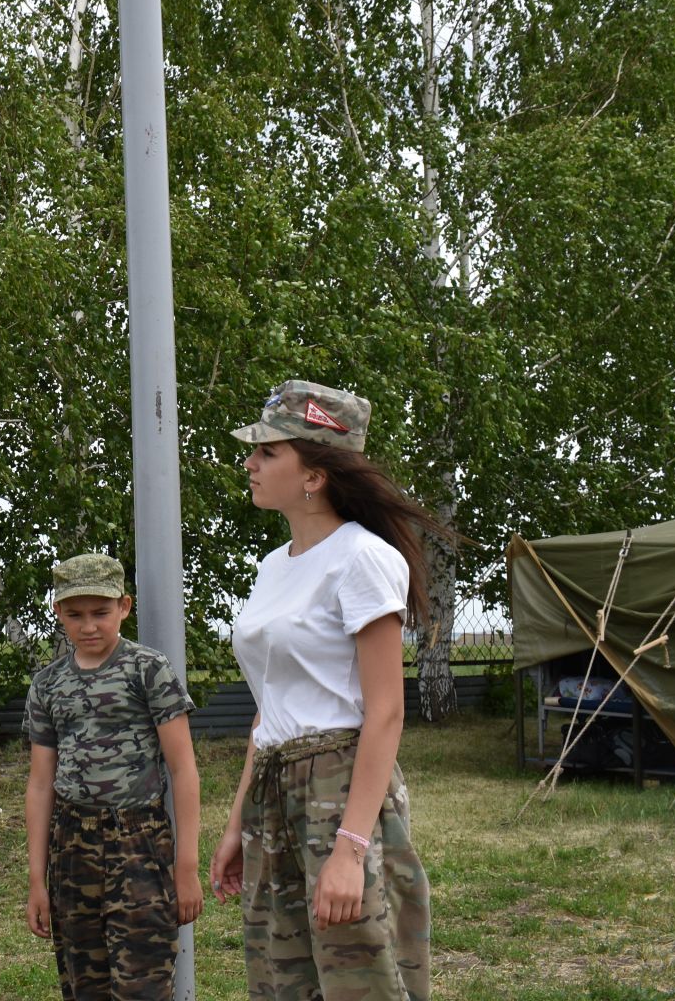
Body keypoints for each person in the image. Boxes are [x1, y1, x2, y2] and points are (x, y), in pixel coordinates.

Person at [208, 380, 440, 1001]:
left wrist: (351, 849)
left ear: (314, 473)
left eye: (268, 452)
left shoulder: (361, 559)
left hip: (340, 790)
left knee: (359, 977)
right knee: (283, 980)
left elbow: (386, 714)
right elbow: (270, 711)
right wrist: (236, 823)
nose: (250, 464)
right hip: (273, 791)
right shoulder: (273, 566)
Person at [23, 553, 203, 1001]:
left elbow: (183, 770)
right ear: (58, 612)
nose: (88, 626)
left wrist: (187, 868)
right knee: (85, 984)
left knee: (142, 982)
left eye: (101, 613)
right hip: (72, 847)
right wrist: (35, 880)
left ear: (124, 607)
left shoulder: (148, 669)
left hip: (139, 845)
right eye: (75, 614)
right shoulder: (47, 685)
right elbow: (41, 784)